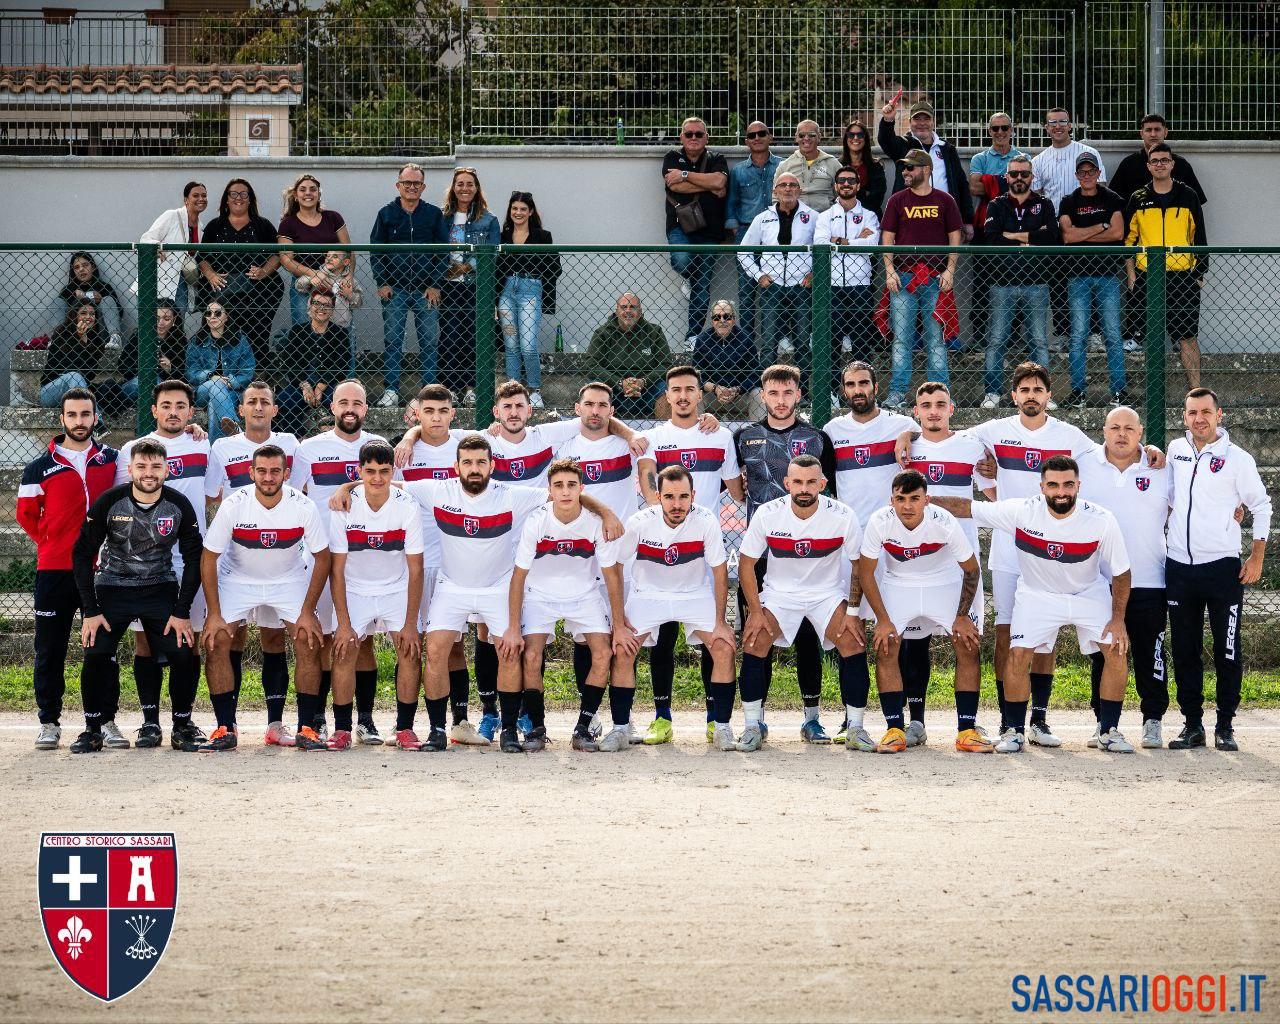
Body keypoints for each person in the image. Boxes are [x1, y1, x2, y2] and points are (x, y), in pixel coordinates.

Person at [385, 435, 620, 752]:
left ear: (492, 465)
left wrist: (606, 513)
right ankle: (438, 730)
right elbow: (388, 486)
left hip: (497, 587)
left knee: (508, 649)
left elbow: (565, 495)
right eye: (467, 462)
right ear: (456, 467)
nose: (474, 468)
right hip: (452, 586)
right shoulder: (436, 491)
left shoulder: (511, 496)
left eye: (481, 462)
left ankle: (508, 730)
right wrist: (346, 489)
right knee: (437, 650)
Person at [934, 456, 1136, 753]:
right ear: (1042, 487)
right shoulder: (1022, 511)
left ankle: (1109, 730)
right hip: (1037, 595)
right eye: (1053, 485)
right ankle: (1014, 731)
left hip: (1088, 594)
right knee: (1018, 655)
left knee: (1116, 650)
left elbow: (1121, 573)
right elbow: (968, 508)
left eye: (1068, 484)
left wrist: (1118, 620)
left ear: (1078, 485)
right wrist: (924, 501)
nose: (1061, 491)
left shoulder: (1101, 519)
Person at [961, 363, 1107, 743]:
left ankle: (1039, 719)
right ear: (1013, 396)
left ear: (1048, 395)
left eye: (1037, 390)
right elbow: (951, 439)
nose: (1030, 395)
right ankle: (1009, 720)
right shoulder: (994, 430)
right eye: (1023, 390)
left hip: (1051, 550)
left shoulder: (1069, 435)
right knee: (1008, 631)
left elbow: (1106, 457)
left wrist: (1148, 449)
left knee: (1045, 635)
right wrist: (908, 436)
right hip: (1011, 548)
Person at [70, 439, 202, 754]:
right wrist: (90, 610)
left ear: (166, 469)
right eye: (141, 466)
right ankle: (92, 728)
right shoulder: (109, 502)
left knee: (183, 651)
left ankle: (181, 725)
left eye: (156, 466)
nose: (149, 473)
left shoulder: (178, 504)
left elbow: (195, 558)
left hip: (160, 587)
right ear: (130, 469)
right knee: (96, 653)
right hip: (114, 587)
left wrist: (182, 611)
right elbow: (82, 553)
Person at [635, 365, 743, 743]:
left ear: (701, 395)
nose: (682, 396)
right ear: (666, 396)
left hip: (703, 554)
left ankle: (715, 719)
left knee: (711, 638)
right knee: (662, 640)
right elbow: (650, 488)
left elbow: (738, 490)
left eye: (690, 390)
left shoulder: (722, 436)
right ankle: (662, 717)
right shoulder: (651, 438)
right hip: (662, 556)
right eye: (675, 390)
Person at [200, 444, 331, 751]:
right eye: (262, 471)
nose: (268, 477)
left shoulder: (302, 505)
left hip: (287, 578)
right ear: (251, 473)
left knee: (308, 639)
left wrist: (309, 610)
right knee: (217, 640)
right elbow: (208, 557)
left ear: (286, 474)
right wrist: (214, 613)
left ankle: (306, 729)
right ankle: (224, 729)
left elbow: (323, 557)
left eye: (275, 471)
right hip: (238, 579)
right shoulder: (234, 504)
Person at [1164, 388, 1271, 751]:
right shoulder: (1175, 452)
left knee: (1227, 649)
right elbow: (1166, 497)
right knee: (1185, 650)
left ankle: (1225, 725)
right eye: (1192, 412)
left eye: (1206, 412)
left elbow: (1262, 505)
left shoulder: (1237, 458)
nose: (1199, 419)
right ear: (1184, 417)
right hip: (1179, 566)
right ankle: (1192, 724)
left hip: (1222, 568)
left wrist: (1256, 556)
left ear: (1219, 414)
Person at [733, 364, 836, 740]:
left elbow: (830, 492)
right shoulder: (744, 437)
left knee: (809, 636)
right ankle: (755, 719)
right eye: (773, 393)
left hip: (809, 555)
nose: (780, 400)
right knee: (758, 635)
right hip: (761, 554)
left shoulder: (817, 438)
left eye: (787, 392)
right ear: (763, 396)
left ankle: (811, 717)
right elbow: (736, 488)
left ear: (798, 394)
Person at [736, 455, 865, 752]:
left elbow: (859, 565)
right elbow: (745, 565)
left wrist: (853, 612)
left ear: (822, 483)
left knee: (853, 642)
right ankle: (753, 726)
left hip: (826, 594)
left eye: (811, 482)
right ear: (786, 484)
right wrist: (755, 612)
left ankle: (856, 728)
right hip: (781, 594)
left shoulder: (842, 515)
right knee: (755, 641)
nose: (804, 488)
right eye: (797, 482)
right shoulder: (768, 513)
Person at [857, 470, 989, 753]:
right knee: (885, 646)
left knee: (968, 646)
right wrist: (882, 619)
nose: (907, 506)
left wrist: (962, 616)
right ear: (891, 500)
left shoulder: (944, 521)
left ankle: (966, 730)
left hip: (943, 582)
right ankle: (894, 729)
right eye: (900, 499)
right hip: (899, 584)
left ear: (926, 500)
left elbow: (971, 569)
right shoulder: (879, 522)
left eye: (914, 499)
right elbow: (866, 574)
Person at [607, 466, 738, 751]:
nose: (676, 504)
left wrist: (720, 621)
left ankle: (722, 728)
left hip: (693, 595)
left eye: (682, 497)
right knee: (623, 649)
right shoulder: (640, 522)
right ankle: (619, 729)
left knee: (723, 647)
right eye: (669, 497)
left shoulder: (706, 521)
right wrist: (618, 623)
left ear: (693, 495)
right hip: (649, 596)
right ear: (658, 496)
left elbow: (719, 570)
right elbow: (614, 564)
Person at [823, 360, 919, 745]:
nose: (858, 389)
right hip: (850, 548)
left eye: (864, 382)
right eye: (851, 384)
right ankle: (854, 717)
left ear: (876, 385)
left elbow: (935, 429)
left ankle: (910, 718)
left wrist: (910, 434)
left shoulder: (898, 425)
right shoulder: (832, 430)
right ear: (844, 390)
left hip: (891, 546)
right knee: (854, 632)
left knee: (901, 632)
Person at [18, 388, 120, 750]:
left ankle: (106, 720)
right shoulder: (38, 468)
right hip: (55, 570)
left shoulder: (113, 459)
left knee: (103, 650)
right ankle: (49, 721)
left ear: (95, 417)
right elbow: (27, 516)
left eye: (86, 414)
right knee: (50, 649)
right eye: (72, 415)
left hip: (102, 571)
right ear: (61, 419)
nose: (79, 421)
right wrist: (51, 542)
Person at [291, 380, 391, 740]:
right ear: (331, 407)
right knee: (320, 637)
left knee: (360, 640)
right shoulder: (310, 449)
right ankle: (316, 717)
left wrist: (348, 487)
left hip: (362, 559)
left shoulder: (379, 447)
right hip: (319, 557)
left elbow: (397, 490)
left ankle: (363, 720)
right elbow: (294, 495)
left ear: (366, 408)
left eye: (358, 403)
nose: (351, 409)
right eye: (343, 402)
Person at [115, 379, 211, 751]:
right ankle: (149, 722)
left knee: (189, 642)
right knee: (145, 643)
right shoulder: (133, 450)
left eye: (181, 406)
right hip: (146, 561)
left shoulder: (203, 444)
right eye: (166, 405)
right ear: (153, 410)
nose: (173, 412)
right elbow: (125, 500)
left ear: (191, 411)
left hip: (190, 559)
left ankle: (183, 722)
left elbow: (214, 492)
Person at [505, 459, 625, 752]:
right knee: (531, 655)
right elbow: (518, 576)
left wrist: (619, 625)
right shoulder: (537, 521)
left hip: (584, 595)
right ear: (550, 490)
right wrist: (512, 626)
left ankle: (583, 728)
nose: (566, 491)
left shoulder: (595, 523)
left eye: (572, 485)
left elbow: (611, 575)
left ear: (581, 489)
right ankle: (536, 727)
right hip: (540, 596)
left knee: (603, 653)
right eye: (558, 485)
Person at [205, 380, 298, 740]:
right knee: (234, 636)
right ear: (240, 410)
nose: (258, 407)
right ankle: (227, 724)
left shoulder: (290, 444)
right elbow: (214, 495)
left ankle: (275, 723)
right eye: (251, 402)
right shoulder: (222, 446)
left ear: (275, 410)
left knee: (274, 639)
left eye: (265, 402)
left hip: (279, 558)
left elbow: (298, 489)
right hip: (237, 559)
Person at [1077, 406, 1171, 750]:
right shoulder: (1085, 463)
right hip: (1099, 580)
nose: (1121, 434)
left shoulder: (1161, 468)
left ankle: (1153, 720)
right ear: (1103, 430)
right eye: (1114, 427)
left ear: (1141, 432)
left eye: (1128, 428)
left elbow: (1186, 502)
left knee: (1150, 653)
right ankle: (1103, 722)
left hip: (1149, 578)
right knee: (1104, 655)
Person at [902, 381, 993, 738]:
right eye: (926, 405)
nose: (934, 410)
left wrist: (994, 475)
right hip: (918, 559)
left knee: (966, 640)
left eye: (941, 404)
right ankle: (916, 722)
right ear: (916, 412)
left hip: (961, 559)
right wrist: (905, 436)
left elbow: (992, 492)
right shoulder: (906, 448)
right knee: (914, 641)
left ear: (952, 410)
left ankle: (966, 726)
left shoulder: (972, 447)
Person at [328, 441, 425, 750]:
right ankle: (342, 729)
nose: (377, 478)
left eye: (384, 471)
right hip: (355, 588)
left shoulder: (406, 504)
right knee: (343, 650)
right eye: (370, 472)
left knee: (409, 650)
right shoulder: (344, 505)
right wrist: (343, 623)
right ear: (359, 472)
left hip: (395, 587)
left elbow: (416, 569)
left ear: (392, 471)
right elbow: (337, 570)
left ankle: (404, 728)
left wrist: (410, 623)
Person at [879, 150, 963, 409]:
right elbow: (887, 237)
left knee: (935, 340)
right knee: (902, 339)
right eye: (904, 168)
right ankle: (897, 393)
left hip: (936, 279)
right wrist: (889, 270)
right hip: (903, 279)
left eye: (911, 168)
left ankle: (940, 394)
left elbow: (955, 236)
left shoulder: (945, 200)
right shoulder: (896, 200)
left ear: (926, 170)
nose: (905, 172)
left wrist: (950, 270)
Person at [1124, 142, 1208, 389]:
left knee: (1187, 337)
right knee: (1147, 338)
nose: (1159, 164)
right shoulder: (1138, 198)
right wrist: (1131, 275)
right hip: (1147, 276)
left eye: (1164, 160)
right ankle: (1151, 394)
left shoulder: (1188, 195)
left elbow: (1199, 238)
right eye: (1155, 161)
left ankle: (1196, 392)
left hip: (1182, 277)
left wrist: (1199, 273)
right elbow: (1128, 241)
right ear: (1148, 166)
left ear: (1172, 164)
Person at [980, 154, 1060, 410]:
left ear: (1031, 176)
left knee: (1038, 341)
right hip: (1002, 283)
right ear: (1007, 177)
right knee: (996, 341)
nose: (1018, 178)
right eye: (1014, 174)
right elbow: (990, 239)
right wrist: (1030, 238)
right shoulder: (996, 204)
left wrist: (1012, 235)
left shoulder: (1044, 203)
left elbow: (1053, 239)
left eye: (1024, 173)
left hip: (1037, 283)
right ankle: (992, 392)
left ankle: (1044, 394)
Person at [370, 163, 447, 407]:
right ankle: (391, 390)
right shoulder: (386, 214)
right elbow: (376, 251)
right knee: (393, 340)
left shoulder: (434, 214)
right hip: (396, 289)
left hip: (427, 290)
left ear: (423, 187)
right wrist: (382, 282)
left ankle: (429, 393)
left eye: (416, 183)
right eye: (407, 183)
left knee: (429, 341)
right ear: (398, 185)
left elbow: (444, 252)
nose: (411, 187)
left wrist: (435, 284)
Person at [1058, 153, 1129, 407]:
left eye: (1091, 171)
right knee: (1078, 336)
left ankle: (1119, 392)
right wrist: (1101, 227)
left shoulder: (1112, 199)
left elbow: (1119, 233)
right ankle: (1078, 393)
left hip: (1108, 276)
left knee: (1112, 335)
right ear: (1077, 175)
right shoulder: (1068, 201)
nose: (1087, 176)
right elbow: (1067, 236)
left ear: (1099, 173)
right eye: (1082, 172)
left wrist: (1083, 235)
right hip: (1077, 277)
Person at [737, 173, 817, 387]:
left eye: (793, 185)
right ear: (775, 191)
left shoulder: (812, 217)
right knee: (769, 341)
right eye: (783, 185)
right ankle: (766, 389)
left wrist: (814, 274)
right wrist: (759, 275)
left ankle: (804, 391)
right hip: (772, 288)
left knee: (802, 342)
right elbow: (743, 251)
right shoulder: (762, 218)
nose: (788, 189)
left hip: (801, 287)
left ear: (800, 190)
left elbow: (824, 250)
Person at [198, 178, 284, 368]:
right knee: (220, 328)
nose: (239, 198)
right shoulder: (214, 226)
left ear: (250, 199)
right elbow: (202, 257)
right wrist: (211, 275)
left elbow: (278, 255)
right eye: (233, 194)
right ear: (226, 200)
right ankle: (220, 367)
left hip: (258, 291)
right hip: (222, 289)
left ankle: (256, 370)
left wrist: (263, 271)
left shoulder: (263, 225)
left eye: (244, 194)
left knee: (258, 331)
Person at [662, 116, 729, 343]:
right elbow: (673, 185)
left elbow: (719, 183)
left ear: (706, 137)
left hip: (710, 230)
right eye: (689, 134)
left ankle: (692, 337)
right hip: (680, 226)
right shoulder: (672, 156)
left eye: (698, 134)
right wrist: (707, 183)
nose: (693, 138)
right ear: (681, 136)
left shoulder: (716, 158)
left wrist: (684, 176)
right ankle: (688, 277)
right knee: (681, 261)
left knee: (703, 284)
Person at [439, 166, 501, 402]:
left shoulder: (488, 220)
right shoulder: (442, 217)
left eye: (469, 184)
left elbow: (492, 251)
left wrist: (466, 267)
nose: (465, 188)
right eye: (460, 184)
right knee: (449, 336)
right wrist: (445, 269)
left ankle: (472, 388)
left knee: (474, 336)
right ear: (453, 188)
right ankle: (451, 388)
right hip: (448, 284)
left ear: (477, 189)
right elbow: (435, 247)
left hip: (477, 285)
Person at [497, 190, 560, 406]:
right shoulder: (503, 235)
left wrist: (533, 274)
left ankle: (534, 391)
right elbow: (496, 268)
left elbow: (555, 267)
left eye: (523, 209)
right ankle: (513, 392)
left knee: (528, 346)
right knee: (511, 344)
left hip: (530, 292)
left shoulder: (542, 236)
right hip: (505, 292)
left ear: (530, 211)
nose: (518, 212)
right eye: (514, 208)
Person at [877, 97, 973, 230]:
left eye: (926, 119)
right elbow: (886, 140)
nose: (922, 123)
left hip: (944, 218)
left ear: (933, 122)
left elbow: (961, 184)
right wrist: (888, 120)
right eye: (917, 119)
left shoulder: (947, 149)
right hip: (910, 216)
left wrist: (967, 220)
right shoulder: (903, 145)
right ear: (910, 122)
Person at [815, 169, 881, 361]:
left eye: (851, 180)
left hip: (860, 286)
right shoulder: (825, 216)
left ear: (858, 186)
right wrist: (854, 240)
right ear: (835, 186)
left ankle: (863, 388)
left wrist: (839, 241)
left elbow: (870, 246)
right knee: (832, 342)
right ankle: (833, 389)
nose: (846, 184)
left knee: (861, 341)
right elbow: (820, 243)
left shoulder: (869, 215)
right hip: (832, 285)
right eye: (841, 180)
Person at [725, 120, 782, 340]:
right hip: (747, 232)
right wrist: (735, 230)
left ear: (770, 137)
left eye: (761, 133)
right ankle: (747, 343)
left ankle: (780, 338)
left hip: (776, 232)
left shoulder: (783, 166)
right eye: (752, 135)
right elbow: (732, 202)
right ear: (746, 141)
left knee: (778, 287)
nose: (756, 138)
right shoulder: (738, 171)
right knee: (746, 291)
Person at [276, 173, 351, 325]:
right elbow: (286, 259)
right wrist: (315, 274)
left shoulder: (333, 218)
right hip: (304, 283)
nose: (308, 193)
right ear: (296, 196)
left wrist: (348, 277)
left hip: (335, 282)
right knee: (304, 333)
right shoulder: (288, 223)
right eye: (303, 190)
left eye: (313, 189)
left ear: (318, 194)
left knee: (340, 329)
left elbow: (348, 250)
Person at [276, 290, 351, 437]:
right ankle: (296, 437)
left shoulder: (340, 333)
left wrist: (321, 386)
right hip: (301, 384)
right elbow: (290, 363)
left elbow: (341, 364)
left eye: (327, 305)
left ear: (332, 310)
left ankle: (335, 437)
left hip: (329, 385)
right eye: (317, 303)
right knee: (284, 400)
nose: (321, 308)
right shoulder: (298, 331)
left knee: (340, 403)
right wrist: (305, 386)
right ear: (310, 306)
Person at [584, 294, 671, 419]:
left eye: (633, 307)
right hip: (612, 391)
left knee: (666, 389)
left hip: (647, 390)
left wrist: (643, 381)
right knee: (594, 389)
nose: (628, 311)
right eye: (624, 307)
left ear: (640, 311)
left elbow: (666, 364)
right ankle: (596, 433)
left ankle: (666, 433)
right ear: (617, 311)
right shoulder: (602, 333)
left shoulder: (654, 332)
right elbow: (590, 365)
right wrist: (619, 383)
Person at [186, 301, 255, 444]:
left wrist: (229, 382)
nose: (212, 316)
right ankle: (236, 434)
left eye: (217, 313)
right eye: (208, 313)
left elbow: (247, 373)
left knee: (213, 405)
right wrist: (211, 376)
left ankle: (214, 448)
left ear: (227, 316)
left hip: (231, 391)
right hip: (202, 391)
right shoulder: (197, 341)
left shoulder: (239, 341)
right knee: (216, 384)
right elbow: (191, 373)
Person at [1108, 113, 1207, 205]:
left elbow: (1196, 202)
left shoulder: (1181, 165)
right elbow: (1113, 201)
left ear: (1165, 132)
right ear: (1141, 133)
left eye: (1157, 129)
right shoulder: (1128, 165)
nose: (1153, 134)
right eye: (1148, 130)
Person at [138, 181, 207, 308]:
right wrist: (157, 246)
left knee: (178, 321)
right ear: (186, 199)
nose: (201, 199)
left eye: (204, 195)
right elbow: (146, 238)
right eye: (196, 196)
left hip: (184, 281)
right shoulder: (172, 216)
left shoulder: (201, 227)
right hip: (161, 280)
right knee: (158, 323)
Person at [690, 299, 763, 419]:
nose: (722, 321)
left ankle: (758, 435)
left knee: (758, 394)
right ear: (712, 321)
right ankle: (696, 433)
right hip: (712, 395)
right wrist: (715, 388)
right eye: (717, 317)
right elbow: (696, 375)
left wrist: (737, 389)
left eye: (727, 316)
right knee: (694, 394)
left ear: (734, 319)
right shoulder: (702, 340)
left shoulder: (745, 339)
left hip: (740, 395)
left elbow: (755, 373)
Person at [1029, 107, 1106, 209]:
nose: (1058, 126)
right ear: (1047, 128)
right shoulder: (1038, 161)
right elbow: (1035, 196)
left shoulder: (1090, 153)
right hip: (1053, 220)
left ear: (1069, 126)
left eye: (1062, 122)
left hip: (1085, 218)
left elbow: (1101, 187)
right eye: (1053, 123)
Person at [39, 302, 109, 407]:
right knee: (74, 376)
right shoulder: (61, 334)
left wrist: (83, 341)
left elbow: (89, 374)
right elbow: (68, 368)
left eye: (92, 314)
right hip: (52, 390)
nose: (88, 317)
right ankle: (96, 421)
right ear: (74, 316)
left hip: (77, 391)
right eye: (83, 313)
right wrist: (79, 341)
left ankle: (93, 418)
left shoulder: (96, 341)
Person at [119, 298, 186, 405]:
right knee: (151, 380)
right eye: (157, 317)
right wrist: (143, 368)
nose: (161, 323)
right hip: (137, 383)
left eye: (167, 318)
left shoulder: (180, 340)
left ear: (174, 319)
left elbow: (182, 375)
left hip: (166, 387)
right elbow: (122, 365)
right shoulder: (140, 336)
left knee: (159, 384)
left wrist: (170, 368)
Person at [54, 251, 124, 347]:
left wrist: (100, 302)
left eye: (85, 265)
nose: (81, 269)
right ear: (73, 271)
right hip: (73, 337)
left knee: (108, 299)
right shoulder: (69, 290)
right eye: (77, 267)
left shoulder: (103, 287)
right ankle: (56, 339)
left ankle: (115, 338)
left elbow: (120, 312)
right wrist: (81, 298)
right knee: (57, 302)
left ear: (93, 267)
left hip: (101, 336)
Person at [774, 119, 842, 213]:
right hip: (794, 219)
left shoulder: (833, 164)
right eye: (801, 135)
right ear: (796, 138)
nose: (806, 138)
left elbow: (842, 194)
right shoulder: (785, 166)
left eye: (811, 135)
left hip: (825, 219)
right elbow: (776, 197)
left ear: (819, 137)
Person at [299, 250, 362, 329]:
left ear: (346, 262)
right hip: (317, 323)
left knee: (344, 340)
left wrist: (350, 295)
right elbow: (299, 286)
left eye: (335, 256)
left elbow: (359, 303)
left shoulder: (349, 281)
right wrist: (310, 280)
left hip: (341, 325)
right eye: (328, 256)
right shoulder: (318, 275)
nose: (329, 259)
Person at [836, 117, 886, 216]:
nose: (855, 138)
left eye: (860, 135)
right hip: (842, 216)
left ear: (865, 139)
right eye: (851, 135)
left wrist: (850, 192)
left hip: (870, 216)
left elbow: (877, 198)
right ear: (846, 139)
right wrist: (864, 193)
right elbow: (834, 195)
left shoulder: (876, 167)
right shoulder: (837, 165)